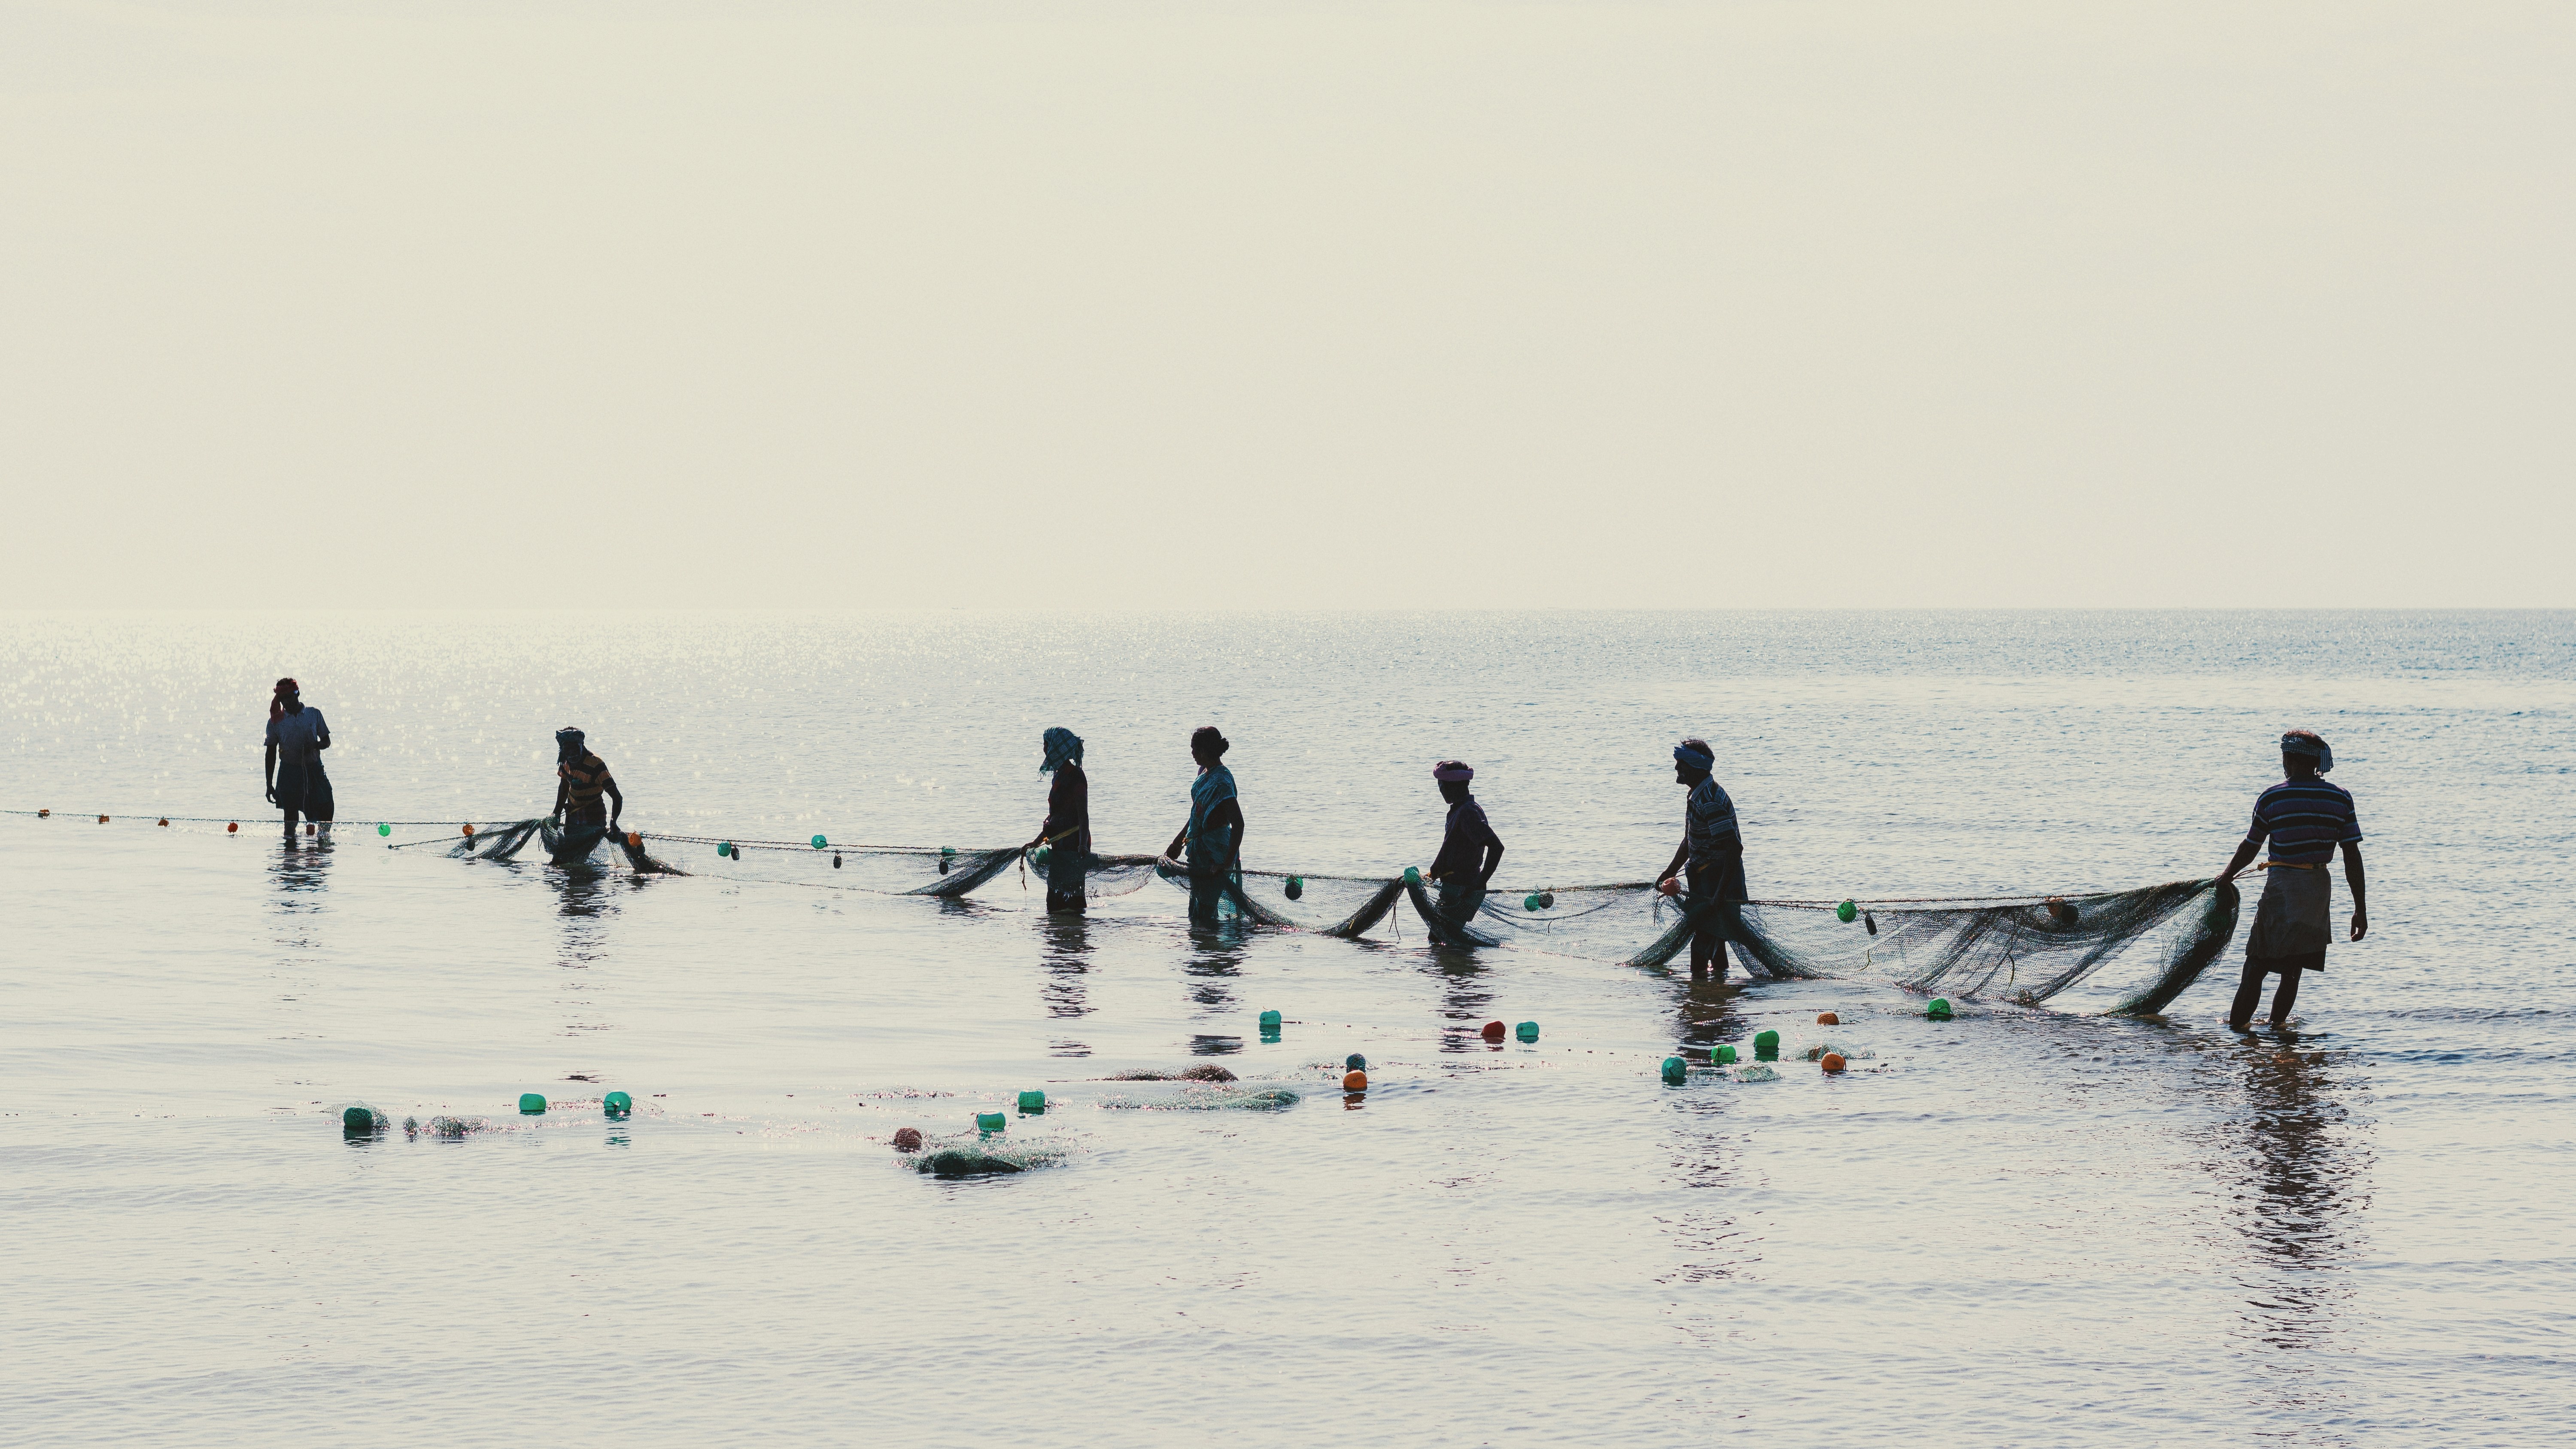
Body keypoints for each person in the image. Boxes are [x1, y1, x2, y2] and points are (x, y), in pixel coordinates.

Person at [2215, 729, 2366, 1030]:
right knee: (2293, 969)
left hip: (2283, 890)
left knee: (2255, 965)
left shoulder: (2273, 797)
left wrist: (2226, 876)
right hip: (2317, 889)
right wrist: (2360, 908)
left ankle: (2238, 1034)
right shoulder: (2340, 798)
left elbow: (2251, 846)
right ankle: (2278, 1031)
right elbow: (2352, 855)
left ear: (2290, 759)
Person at [1656, 738, 1747, 982]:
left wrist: (1719, 894)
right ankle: (1719, 995)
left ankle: (1701, 1002)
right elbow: (1690, 841)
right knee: (1715, 947)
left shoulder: (1709, 801)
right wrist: (1669, 872)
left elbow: (1734, 849)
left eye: (1681, 764)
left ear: (1695, 768)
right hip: (1705, 881)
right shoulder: (1697, 795)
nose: (1677, 769)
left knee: (1700, 949)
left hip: (1718, 883)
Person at [1163, 726, 1245, 923]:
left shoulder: (1222, 781)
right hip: (1197, 850)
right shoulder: (1203, 773)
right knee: (1197, 906)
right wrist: (1178, 843)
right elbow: (1196, 814)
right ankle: (1202, 949)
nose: (1192, 754)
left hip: (1215, 852)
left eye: (1194, 749)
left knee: (1208, 908)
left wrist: (1226, 864)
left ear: (1205, 751)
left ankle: (1212, 951)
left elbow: (1239, 824)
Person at [1425, 761, 1504, 922]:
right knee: (1442, 940)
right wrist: (1433, 875)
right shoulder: (1460, 810)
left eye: (1442, 785)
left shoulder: (1468, 813)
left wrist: (1479, 883)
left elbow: (1497, 847)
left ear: (1455, 786)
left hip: (1463, 889)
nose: (1441, 790)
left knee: (1439, 938)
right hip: (1454, 888)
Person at [1026, 727, 1091, 912]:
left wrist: (1082, 846)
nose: (1044, 749)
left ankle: (1076, 937)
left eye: (1046, 744)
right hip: (1059, 846)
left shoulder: (1076, 776)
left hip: (1073, 848)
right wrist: (1036, 842)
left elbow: (1083, 815)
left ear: (1056, 747)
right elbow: (1055, 817)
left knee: (1073, 902)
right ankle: (1061, 936)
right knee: (1054, 904)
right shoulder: (1059, 776)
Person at [262, 678, 334, 840]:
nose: (287, 702)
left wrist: (315, 746)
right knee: (290, 817)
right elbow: (270, 754)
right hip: (289, 771)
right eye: (283, 699)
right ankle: (290, 851)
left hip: (314, 768)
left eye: (289, 697)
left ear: (297, 694)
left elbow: (326, 741)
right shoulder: (275, 722)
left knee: (327, 804)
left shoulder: (313, 714)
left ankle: (323, 840)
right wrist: (269, 784)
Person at [551, 728, 624, 840]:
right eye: (567, 750)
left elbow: (617, 797)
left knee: (580, 851)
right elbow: (564, 787)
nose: (571, 754)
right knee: (566, 853)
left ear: (582, 745)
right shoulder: (565, 760)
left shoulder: (596, 765)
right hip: (573, 817)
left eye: (575, 749)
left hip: (593, 819)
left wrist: (613, 822)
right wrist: (556, 813)